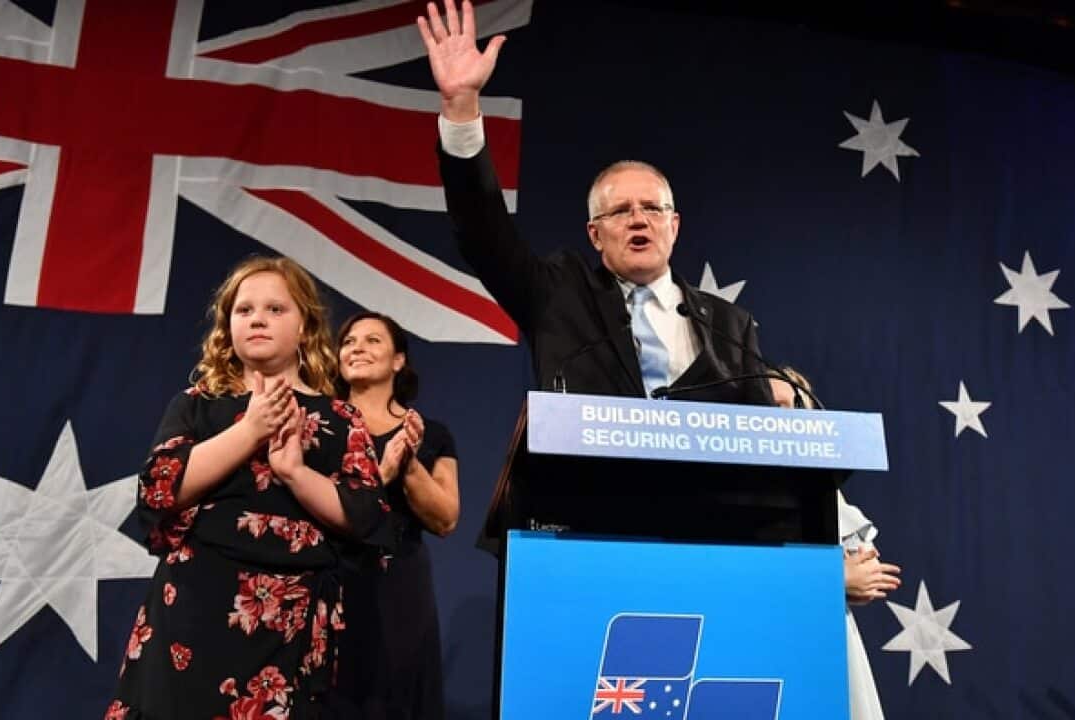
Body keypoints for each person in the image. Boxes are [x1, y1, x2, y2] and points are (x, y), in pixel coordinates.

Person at [416, 0, 775, 406]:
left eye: (652, 208)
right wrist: (461, 105)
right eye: (620, 211)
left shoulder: (731, 324)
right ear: (595, 234)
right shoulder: (559, 296)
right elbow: (483, 233)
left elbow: (763, 437)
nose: (638, 219)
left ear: (674, 225)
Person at [108, 256, 401, 720]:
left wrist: (296, 475)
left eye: (275, 309)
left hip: (291, 629)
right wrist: (251, 430)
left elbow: (368, 520)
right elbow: (160, 489)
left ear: (304, 325)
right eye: (244, 310)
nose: (257, 319)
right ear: (228, 326)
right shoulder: (198, 405)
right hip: (192, 615)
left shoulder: (341, 420)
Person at [329, 311, 459, 720]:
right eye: (349, 342)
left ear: (398, 360)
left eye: (372, 341)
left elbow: (446, 519)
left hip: (400, 584)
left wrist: (408, 463)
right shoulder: (318, 425)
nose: (358, 349)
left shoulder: (430, 433)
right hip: (330, 578)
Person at [772, 368, 900, 720]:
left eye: (797, 406)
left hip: (823, 634)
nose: (786, 417)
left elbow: (865, 565)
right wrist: (832, 578)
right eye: (773, 404)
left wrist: (848, 576)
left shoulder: (821, 487)